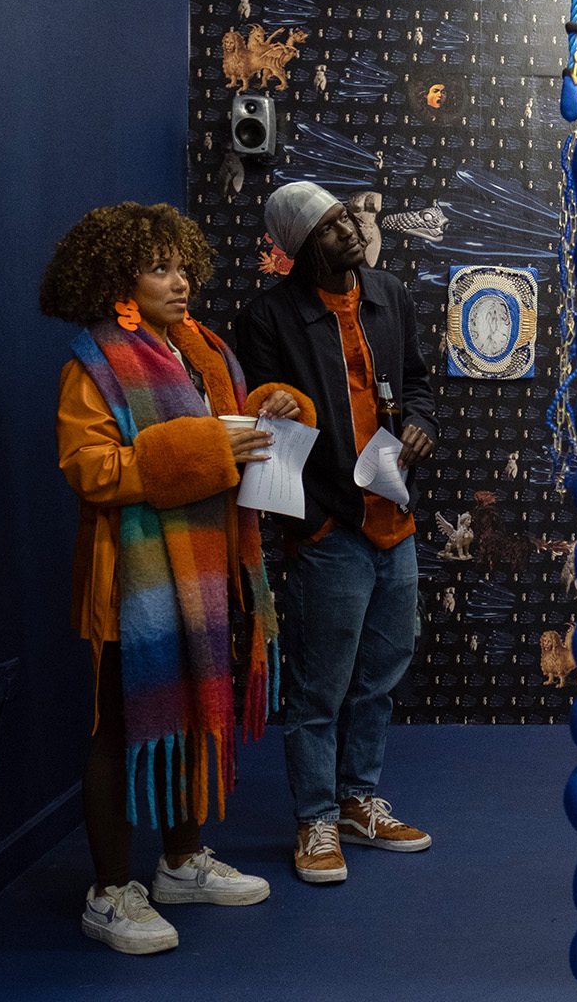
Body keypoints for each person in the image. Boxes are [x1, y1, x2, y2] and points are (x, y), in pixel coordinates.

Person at [43, 201, 315, 953]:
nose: (181, 280)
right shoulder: (93, 361)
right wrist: (201, 451)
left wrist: (270, 407)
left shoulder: (200, 347)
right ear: (116, 278)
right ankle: (108, 892)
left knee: (198, 706)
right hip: (133, 585)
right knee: (122, 724)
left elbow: (227, 425)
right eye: (159, 267)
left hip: (209, 566)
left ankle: (181, 862)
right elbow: (91, 470)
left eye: (183, 265)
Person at [234, 181, 439, 885]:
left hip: (396, 518)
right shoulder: (268, 317)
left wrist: (422, 423)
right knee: (319, 688)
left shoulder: (391, 296)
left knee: (380, 676)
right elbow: (264, 415)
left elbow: (418, 382)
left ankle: (358, 801)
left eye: (345, 217)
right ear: (299, 249)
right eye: (327, 226)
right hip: (329, 524)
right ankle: (316, 819)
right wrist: (312, 519)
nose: (348, 228)